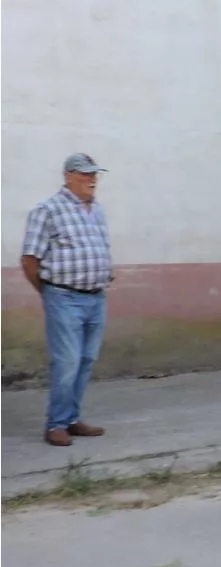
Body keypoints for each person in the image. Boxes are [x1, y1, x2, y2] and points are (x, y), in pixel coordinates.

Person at [21, 154, 113, 447]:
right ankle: (56, 424)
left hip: (95, 298)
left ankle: (72, 419)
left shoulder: (96, 210)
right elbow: (29, 259)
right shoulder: (47, 210)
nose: (92, 179)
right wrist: (48, 292)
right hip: (63, 296)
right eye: (86, 174)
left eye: (95, 174)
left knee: (86, 361)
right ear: (69, 175)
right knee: (68, 362)